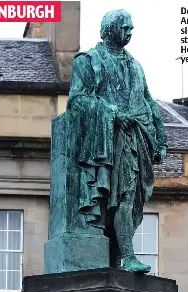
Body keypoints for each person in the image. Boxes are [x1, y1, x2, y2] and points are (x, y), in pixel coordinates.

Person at [67, 9, 167, 272]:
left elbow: (149, 103)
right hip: (108, 142)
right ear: (110, 29)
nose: (130, 32)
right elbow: (77, 100)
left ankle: (117, 257)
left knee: (132, 200)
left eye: (132, 28)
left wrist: (161, 140)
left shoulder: (135, 66)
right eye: (125, 27)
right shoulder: (88, 62)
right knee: (123, 195)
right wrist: (112, 113)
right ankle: (128, 257)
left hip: (137, 140)